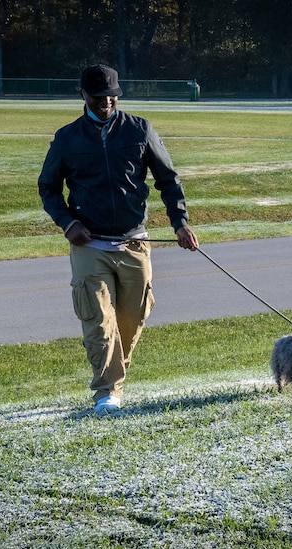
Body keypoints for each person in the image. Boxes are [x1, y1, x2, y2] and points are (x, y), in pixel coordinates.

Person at [38, 64, 199, 414]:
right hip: (89, 245)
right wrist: (68, 223)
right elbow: (48, 188)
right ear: (82, 95)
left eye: (112, 95)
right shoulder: (67, 138)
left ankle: (113, 377)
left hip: (135, 242)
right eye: (98, 97)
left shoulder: (140, 130)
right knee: (99, 320)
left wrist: (180, 223)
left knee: (133, 318)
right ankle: (107, 392)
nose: (106, 102)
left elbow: (168, 180)